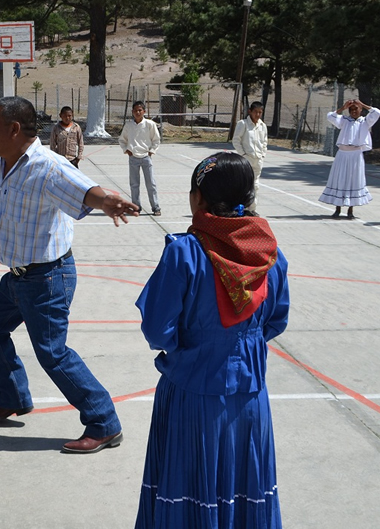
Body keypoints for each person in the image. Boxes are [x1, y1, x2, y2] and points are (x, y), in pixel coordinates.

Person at [0, 96, 139, 454]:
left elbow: (84, 189)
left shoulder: (47, 166)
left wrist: (107, 202)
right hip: (16, 278)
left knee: (52, 353)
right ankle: (13, 396)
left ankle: (104, 423)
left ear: (14, 130)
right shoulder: (0, 166)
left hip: (47, 278)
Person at [135, 153, 289, 528]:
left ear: (197, 199)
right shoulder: (269, 255)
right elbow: (275, 320)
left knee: (189, 487)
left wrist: (201, 346)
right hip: (249, 398)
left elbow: (158, 330)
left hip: (192, 392)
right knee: (243, 484)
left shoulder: (184, 253)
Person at [319, 99, 380, 219]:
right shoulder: (344, 121)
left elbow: (377, 112)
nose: (353, 112)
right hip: (342, 154)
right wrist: (342, 108)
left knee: (353, 180)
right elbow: (330, 117)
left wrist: (362, 104)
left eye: (356, 109)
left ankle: (350, 210)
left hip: (356, 155)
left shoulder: (365, 121)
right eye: (351, 110)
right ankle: (337, 209)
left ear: (360, 110)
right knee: (340, 179)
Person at [119, 101, 162, 216]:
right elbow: (122, 140)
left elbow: (156, 140)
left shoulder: (150, 124)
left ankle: (155, 207)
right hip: (133, 157)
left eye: (140, 110)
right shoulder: (129, 125)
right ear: (132, 112)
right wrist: (126, 150)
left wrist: (151, 151)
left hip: (146, 157)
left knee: (151, 183)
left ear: (144, 111)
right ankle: (136, 206)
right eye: (135, 110)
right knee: (134, 184)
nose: (138, 112)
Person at [232, 101, 268, 211]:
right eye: (255, 112)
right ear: (250, 111)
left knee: (256, 186)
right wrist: (243, 155)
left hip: (257, 161)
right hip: (246, 160)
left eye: (260, 112)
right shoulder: (243, 124)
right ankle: (241, 208)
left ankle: (252, 209)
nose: (257, 115)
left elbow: (265, 142)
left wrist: (262, 155)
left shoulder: (262, 126)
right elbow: (236, 140)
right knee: (245, 185)